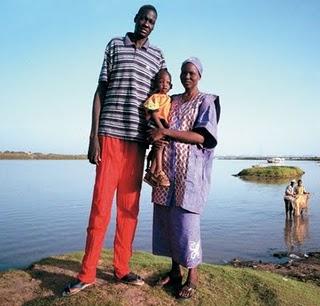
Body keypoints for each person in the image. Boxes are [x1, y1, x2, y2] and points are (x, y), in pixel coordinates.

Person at [63, 5, 166, 296]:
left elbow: (159, 99)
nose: (147, 23)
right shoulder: (114, 45)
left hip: (137, 140)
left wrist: (157, 139)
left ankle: (121, 269)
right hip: (109, 135)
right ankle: (87, 273)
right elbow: (100, 91)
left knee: (129, 209)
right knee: (99, 207)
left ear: (155, 26)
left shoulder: (158, 56)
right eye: (144, 18)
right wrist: (93, 136)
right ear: (135, 19)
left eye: (152, 21)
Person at [148, 57, 220, 299]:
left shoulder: (206, 101)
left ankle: (192, 277)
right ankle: (174, 271)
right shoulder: (173, 100)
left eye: (191, 73)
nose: (187, 77)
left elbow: (202, 137)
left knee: (187, 224)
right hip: (166, 170)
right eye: (183, 73)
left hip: (190, 174)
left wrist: (166, 131)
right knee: (169, 222)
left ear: (199, 75)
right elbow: (157, 118)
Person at [143, 70, 172, 187]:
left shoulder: (168, 98)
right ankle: (159, 171)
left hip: (162, 125)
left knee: (160, 147)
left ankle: (150, 173)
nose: (164, 84)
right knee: (159, 146)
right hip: (154, 124)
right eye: (161, 82)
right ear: (156, 84)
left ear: (171, 86)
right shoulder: (155, 97)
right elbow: (154, 114)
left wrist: (165, 125)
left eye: (167, 82)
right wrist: (161, 128)